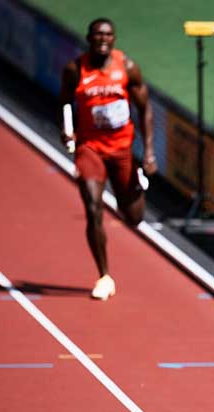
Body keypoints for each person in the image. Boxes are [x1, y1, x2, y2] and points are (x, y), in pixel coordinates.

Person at [59, 17, 157, 300]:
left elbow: (145, 109)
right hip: (90, 148)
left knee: (134, 216)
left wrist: (148, 151)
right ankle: (104, 276)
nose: (103, 39)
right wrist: (66, 130)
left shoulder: (126, 68)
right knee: (92, 206)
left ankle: (134, 183)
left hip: (122, 149)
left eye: (108, 35)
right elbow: (64, 102)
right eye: (98, 35)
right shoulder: (75, 70)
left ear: (114, 39)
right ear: (89, 38)